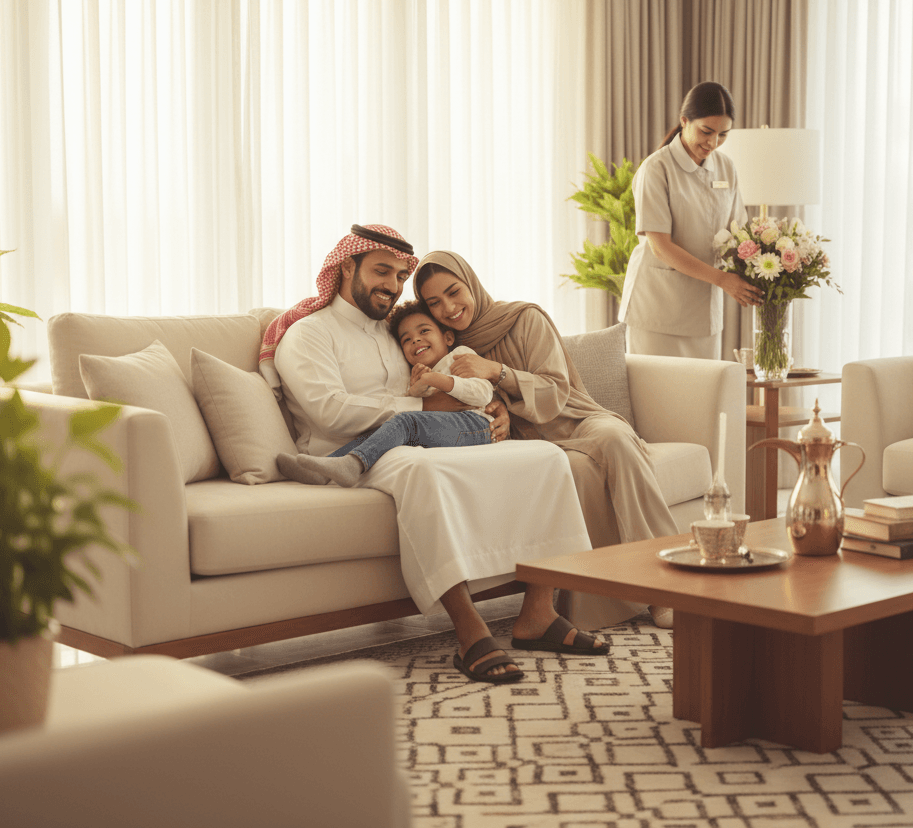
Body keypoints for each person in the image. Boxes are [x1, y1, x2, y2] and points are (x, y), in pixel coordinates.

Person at [260, 224, 609, 684]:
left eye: (401, 274)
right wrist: (422, 407)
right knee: (421, 471)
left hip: (424, 437)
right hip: (352, 451)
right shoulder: (309, 333)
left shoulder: (394, 331)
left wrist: (492, 406)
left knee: (545, 456)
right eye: (382, 271)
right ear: (347, 267)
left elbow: (448, 378)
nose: (393, 284)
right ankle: (469, 630)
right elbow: (329, 412)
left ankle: (538, 614)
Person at [414, 251, 679, 630]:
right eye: (434, 303)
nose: (449, 308)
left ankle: (664, 587)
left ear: (470, 282)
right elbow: (456, 400)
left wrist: (499, 372)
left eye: (454, 292)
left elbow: (556, 390)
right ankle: (605, 601)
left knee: (616, 439)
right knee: (574, 471)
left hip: (574, 419)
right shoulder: (449, 346)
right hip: (527, 443)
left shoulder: (525, 318)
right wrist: (496, 410)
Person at [618, 81, 764, 359]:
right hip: (657, 310)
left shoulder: (725, 168)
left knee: (703, 399)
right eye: (706, 131)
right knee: (657, 399)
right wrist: (723, 280)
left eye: (723, 135)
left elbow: (740, 235)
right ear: (684, 121)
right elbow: (660, 246)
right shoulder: (656, 168)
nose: (713, 143)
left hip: (703, 314)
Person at [275, 301, 493, 487]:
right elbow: (419, 402)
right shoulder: (420, 372)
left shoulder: (461, 356)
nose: (415, 340)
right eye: (406, 339)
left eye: (424, 331)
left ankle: (354, 464)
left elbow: (483, 394)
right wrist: (418, 387)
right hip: (446, 427)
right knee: (386, 427)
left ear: (447, 337)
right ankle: (326, 468)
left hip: (475, 425)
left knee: (405, 421)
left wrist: (439, 381)